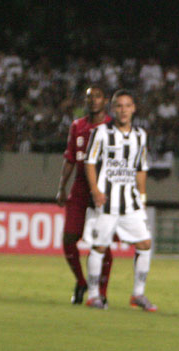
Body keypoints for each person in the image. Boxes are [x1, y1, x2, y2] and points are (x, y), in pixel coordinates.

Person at [83, 89, 157, 312]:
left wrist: (142, 197)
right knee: (99, 246)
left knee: (145, 243)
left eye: (127, 106)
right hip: (106, 201)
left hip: (130, 202)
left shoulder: (140, 135)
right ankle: (94, 295)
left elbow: (141, 168)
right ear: (112, 109)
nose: (123, 110)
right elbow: (89, 162)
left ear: (133, 108)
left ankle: (138, 294)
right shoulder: (101, 133)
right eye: (119, 106)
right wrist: (95, 190)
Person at [56, 85, 113, 305]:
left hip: (104, 189)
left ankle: (102, 291)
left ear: (105, 100)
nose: (93, 101)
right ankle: (81, 282)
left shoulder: (112, 128)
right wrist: (62, 187)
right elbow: (70, 158)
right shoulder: (77, 126)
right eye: (89, 97)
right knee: (69, 238)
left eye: (97, 97)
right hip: (79, 188)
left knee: (102, 244)